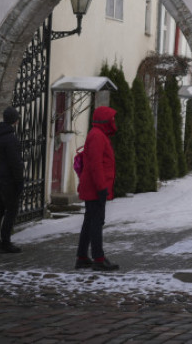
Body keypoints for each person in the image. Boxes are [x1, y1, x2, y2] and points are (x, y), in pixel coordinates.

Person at [76, 105, 119, 271]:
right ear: (104, 120)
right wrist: (102, 188)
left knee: (89, 222)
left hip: (94, 187)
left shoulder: (99, 135)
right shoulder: (97, 136)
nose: (113, 122)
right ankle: (99, 259)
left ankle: (82, 257)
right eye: (111, 119)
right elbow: (95, 165)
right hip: (95, 188)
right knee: (96, 222)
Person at [0, 105, 24, 253]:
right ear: (15, 121)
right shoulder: (11, 139)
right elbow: (15, 163)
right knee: (11, 211)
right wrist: (20, 181)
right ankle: (6, 242)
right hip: (8, 180)